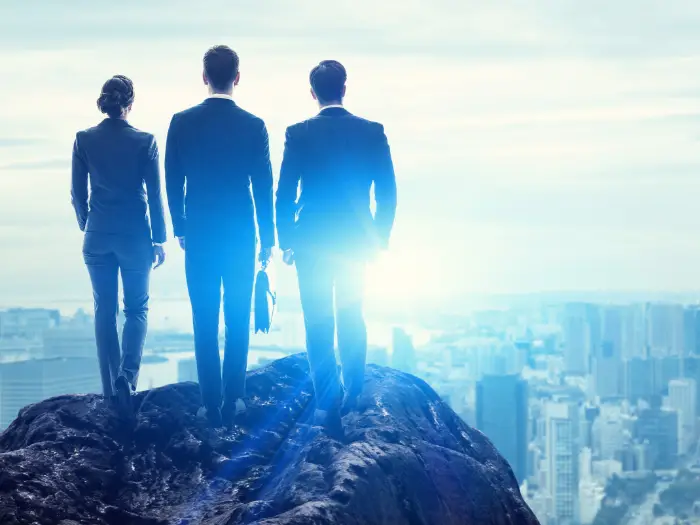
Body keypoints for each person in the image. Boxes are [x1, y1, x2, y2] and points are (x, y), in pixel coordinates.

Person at [276, 60, 397, 434]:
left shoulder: (298, 133)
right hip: (354, 244)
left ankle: (326, 402)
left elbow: (283, 194)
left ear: (312, 93)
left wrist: (287, 241)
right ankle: (355, 393)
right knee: (351, 314)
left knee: (317, 321)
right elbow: (388, 194)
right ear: (345, 87)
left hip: (310, 242)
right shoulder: (371, 131)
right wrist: (379, 239)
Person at [165, 45, 275, 428]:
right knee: (237, 317)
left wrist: (179, 227)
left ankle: (209, 404)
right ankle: (237, 399)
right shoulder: (253, 125)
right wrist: (269, 240)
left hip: (199, 233)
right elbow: (263, 187)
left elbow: (172, 180)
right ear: (237, 77)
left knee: (204, 319)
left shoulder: (181, 122)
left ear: (204, 77)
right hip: (241, 233)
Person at [71, 75, 167, 416]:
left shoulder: (84, 139)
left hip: (97, 235)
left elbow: (77, 194)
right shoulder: (145, 141)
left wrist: (89, 224)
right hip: (135, 237)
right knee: (137, 309)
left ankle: (110, 389)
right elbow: (155, 195)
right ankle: (128, 376)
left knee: (104, 310)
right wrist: (159, 238)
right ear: (131, 103)